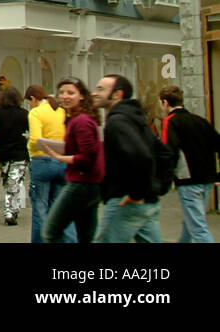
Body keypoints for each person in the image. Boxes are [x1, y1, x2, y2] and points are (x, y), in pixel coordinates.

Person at [91, 74, 161, 243]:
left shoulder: (118, 121)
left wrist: (137, 194)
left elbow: (141, 156)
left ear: (117, 94)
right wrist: (155, 188)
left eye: (100, 89)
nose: (94, 93)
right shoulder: (135, 119)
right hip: (146, 201)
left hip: (125, 199)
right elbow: (162, 153)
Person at [40, 77, 104, 242]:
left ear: (81, 95)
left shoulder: (81, 121)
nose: (65, 96)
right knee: (86, 236)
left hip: (81, 183)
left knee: (50, 232)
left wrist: (60, 157)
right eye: (61, 92)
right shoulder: (78, 119)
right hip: (90, 184)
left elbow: (88, 156)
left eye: (70, 93)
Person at [159, 85, 220, 242]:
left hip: (188, 181)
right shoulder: (200, 121)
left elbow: (168, 152)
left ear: (165, 103)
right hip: (207, 179)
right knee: (191, 222)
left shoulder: (170, 122)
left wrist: (164, 180)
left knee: (198, 227)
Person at [26, 85, 76, 243]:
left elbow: (35, 139)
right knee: (60, 208)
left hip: (42, 162)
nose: (30, 105)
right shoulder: (62, 111)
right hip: (62, 161)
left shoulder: (36, 113)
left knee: (40, 209)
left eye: (30, 102)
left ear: (33, 99)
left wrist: (30, 144)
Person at [0, 85, 30, 226]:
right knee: (15, 181)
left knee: (8, 180)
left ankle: (12, 210)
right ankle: (11, 211)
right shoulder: (24, 113)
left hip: (3, 152)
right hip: (20, 153)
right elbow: (30, 133)